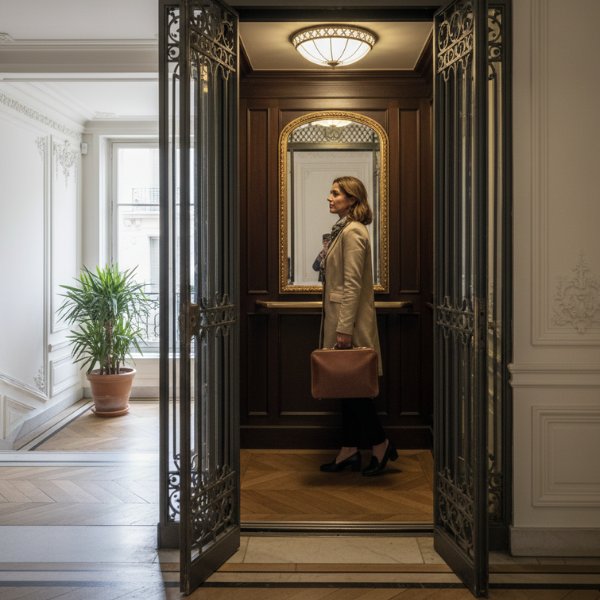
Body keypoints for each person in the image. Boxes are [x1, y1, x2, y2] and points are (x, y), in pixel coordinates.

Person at [318, 176, 399, 477]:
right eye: (331, 191)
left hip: (347, 322)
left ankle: (380, 444)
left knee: (354, 388)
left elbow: (352, 285)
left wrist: (345, 328)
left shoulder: (353, 232)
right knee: (346, 386)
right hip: (342, 320)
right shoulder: (343, 230)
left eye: (336, 193)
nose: (330, 197)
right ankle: (349, 450)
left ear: (351, 200)